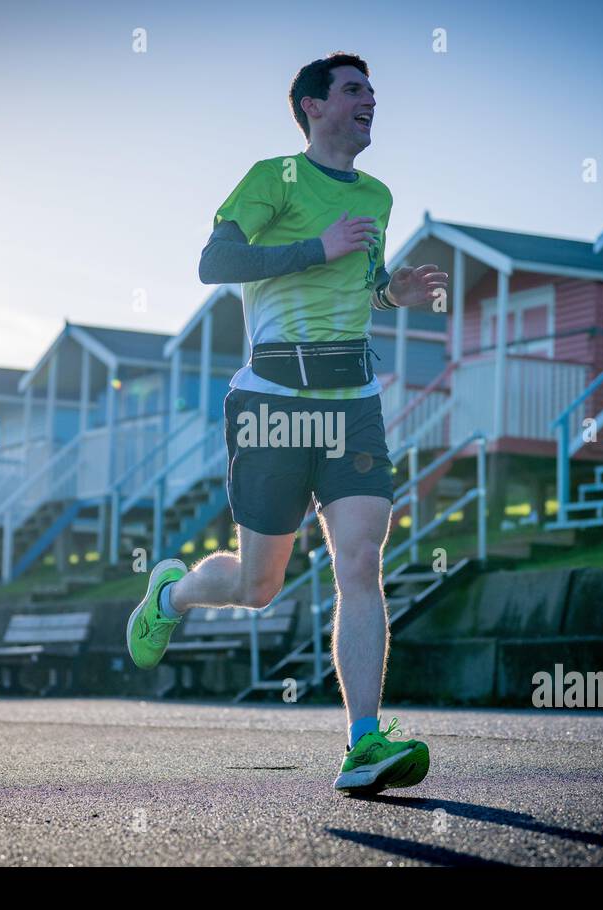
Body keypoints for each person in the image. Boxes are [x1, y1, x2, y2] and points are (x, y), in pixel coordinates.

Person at [126, 52, 447, 795]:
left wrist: (393, 292)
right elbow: (216, 262)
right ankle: (171, 594)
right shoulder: (273, 178)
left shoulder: (377, 194)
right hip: (272, 400)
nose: (371, 99)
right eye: (354, 89)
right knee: (258, 584)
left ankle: (363, 744)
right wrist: (316, 248)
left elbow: (362, 287)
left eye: (373, 89)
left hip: (352, 406)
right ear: (311, 106)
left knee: (359, 561)